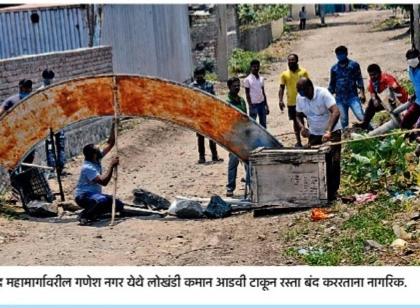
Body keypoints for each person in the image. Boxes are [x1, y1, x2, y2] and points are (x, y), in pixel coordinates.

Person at [296, 77, 342, 201]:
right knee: (315, 161)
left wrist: (328, 130)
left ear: (310, 87)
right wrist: (302, 127)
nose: (303, 96)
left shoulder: (323, 94)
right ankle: (318, 190)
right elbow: (298, 115)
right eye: (301, 93)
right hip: (314, 133)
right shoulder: (300, 97)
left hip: (332, 132)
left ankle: (333, 192)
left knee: (333, 162)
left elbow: (336, 112)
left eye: (304, 93)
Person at [74, 120, 124, 225]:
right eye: (97, 150)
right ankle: (84, 215)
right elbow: (103, 181)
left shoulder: (96, 158)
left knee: (118, 205)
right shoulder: (88, 167)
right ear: (94, 155)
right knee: (100, 201)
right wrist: (111, 165)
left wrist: (114, 124)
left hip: (94, 194)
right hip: (83, 196)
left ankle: (94, 213)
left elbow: (110, 143)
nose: (100, 150)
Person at [355, 64, 408, 130]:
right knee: (371, 103)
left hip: (400, 101)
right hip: (387, 102)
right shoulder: (373, 81)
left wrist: (389, 88)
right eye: (371, 75)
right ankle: (365, 123)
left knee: (403, 119)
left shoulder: (386, 78)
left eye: (374, 74)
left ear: (379, 72)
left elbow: (394, 86)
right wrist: (374, 100)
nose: (373, 77)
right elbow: (372, 92)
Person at [190, 66, 223, 164]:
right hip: (198, 115)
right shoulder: (192, 86)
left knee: (211, 136)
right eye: (197, 75)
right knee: (200, 137)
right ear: (195, 75)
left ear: (204, 75)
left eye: (201, 74)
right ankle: (202, 157)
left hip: (209, 114)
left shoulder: (209, 85)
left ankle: (214, 155)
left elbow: (213, 99)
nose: (199, 76)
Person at [328, 45, 366, 129]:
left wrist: (362, 93)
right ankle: (346, 137)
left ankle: (372, 131)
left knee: (361, 116)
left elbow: (359, 79)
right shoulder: (334, 69)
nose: (340, 56)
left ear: (346, 53)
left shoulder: (353, 65)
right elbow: (332, 84)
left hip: (352, 96)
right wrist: (327, 97)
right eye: (338, 54)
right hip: (340, 99)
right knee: (344, 121)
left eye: (342, 54)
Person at [279, 54, 309, 147]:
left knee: (309, 120)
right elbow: (282, 87)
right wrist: (280, 100)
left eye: (293, 60)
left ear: (297, 61)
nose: (291, 61)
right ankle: (298, 142)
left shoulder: (303, 72)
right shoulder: (284, 74)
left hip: (304, 101)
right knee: (296, 123)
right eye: (289, 60)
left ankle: (311, 140)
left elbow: (309, 85)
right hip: (291, 103)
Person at [39, 69, 66, 174]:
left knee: (51, 146)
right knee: (59, 145)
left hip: (50, 122)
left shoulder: (40, 91)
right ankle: (60, 168)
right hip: (56, 122)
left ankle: (53, 169)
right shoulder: (56, 89)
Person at [225, 77, 248, 197]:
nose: (237, 87)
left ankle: (250, 185)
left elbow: (246, 118)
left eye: (238, 85)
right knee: (233, 163)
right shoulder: (226, 102)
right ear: (229, 87)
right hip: (233, 137)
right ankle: (230, 188)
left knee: (247, 163)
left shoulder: (242, 101)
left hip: (243, 136)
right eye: (235, 85)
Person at [244, 59, 269, 128]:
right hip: (253, 105)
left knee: (263, 124)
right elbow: (247, 93)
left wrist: (266, 105)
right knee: (253, 124)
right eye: (254, 67)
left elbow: (263, 92)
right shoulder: (247, 80)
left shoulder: (261, 78)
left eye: (257, 66)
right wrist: (250, 105)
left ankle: (263, 138)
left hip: (262, 104)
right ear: (251, 67)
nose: (256, 68)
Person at [400, 48, 420, 130]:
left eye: (413, 58)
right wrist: (414, 95)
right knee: (406, 121)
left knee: (418, 127)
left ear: (419, 57)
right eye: (409, 59)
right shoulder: (410, 70)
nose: (412, 60)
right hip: (418, 101)